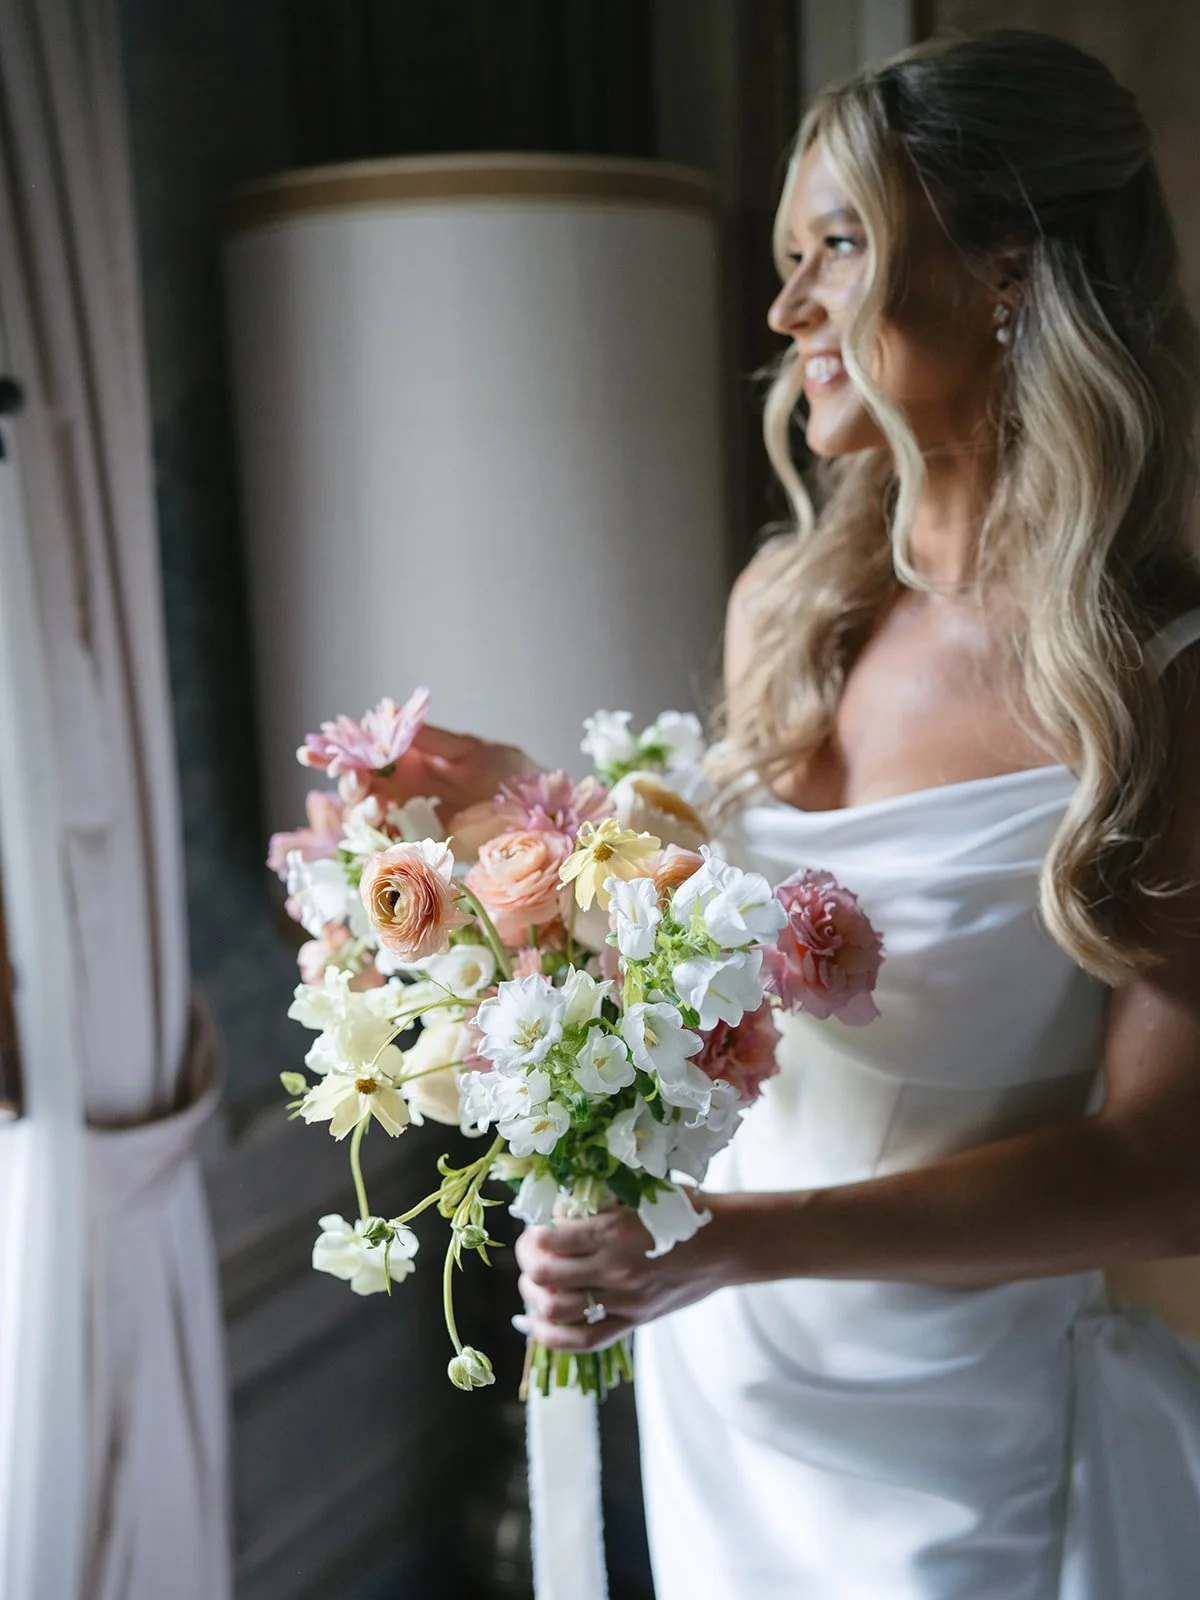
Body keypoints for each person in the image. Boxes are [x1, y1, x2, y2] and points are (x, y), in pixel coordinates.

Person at [487, 29, 1200, 1600]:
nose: (788, 307)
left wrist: (744, 1240)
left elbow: (1166, 1171)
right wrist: (499, 836)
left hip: (954, 1435)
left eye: (840, 246)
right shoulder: (788, 606)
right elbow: (714, 1002)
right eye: (787, 258)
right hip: (718, 1374)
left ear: (1007, 264)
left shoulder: (1159, 686)